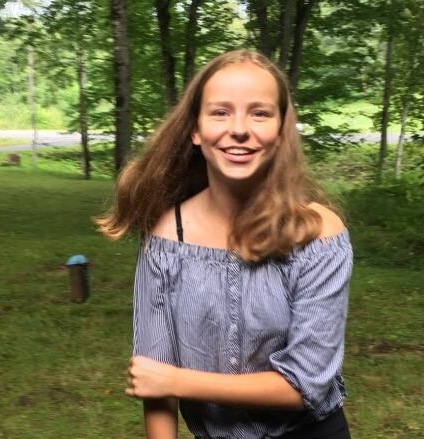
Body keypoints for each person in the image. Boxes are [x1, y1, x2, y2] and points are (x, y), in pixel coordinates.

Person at [96, 49, 353, 439]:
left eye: (259, 113)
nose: (238, 129)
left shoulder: (318, 234)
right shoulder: (166, 238)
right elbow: (154, 377)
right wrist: (165, 383)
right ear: (196, 130)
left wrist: (177, 381)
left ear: (282, 130)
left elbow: (306, 383)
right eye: (220, 112)